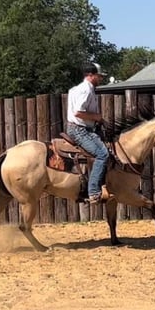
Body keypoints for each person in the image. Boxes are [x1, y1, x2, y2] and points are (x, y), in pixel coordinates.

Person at [67, 62, 110, 204]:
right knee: (103, 154)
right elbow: (78, 112)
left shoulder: (76, 89)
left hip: (80, 128)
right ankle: (93, 191)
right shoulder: (86, 90)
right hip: (79, 130)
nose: (101, 79)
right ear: (91, 75)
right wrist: (96, 117)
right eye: (99, 76)